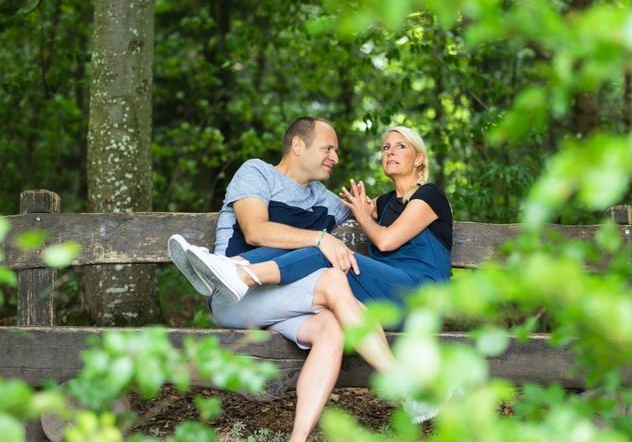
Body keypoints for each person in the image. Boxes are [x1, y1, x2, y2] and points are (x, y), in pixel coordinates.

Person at [169, 118, 443, 441]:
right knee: (331, 279)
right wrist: (319, 238)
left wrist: (366, 211)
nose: (335, 158)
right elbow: (255, 231)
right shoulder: (256, 173)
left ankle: (297, 438)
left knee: (332, 327)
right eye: (328, 148)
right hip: (235, 296)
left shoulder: (324, 200)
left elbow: (364, 216)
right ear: (299, 146)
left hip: (284, 302)